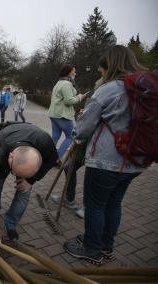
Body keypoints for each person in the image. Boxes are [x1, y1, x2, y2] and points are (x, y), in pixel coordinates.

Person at [64, 45, 150, 264]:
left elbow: (83, 129)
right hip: (135, 161)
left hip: (106, 160)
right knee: (113, 204)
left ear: (109, 67)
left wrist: (79, 129)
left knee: (95, 205)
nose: (102, 75)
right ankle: (105, 246)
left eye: (102, 71)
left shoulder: (109, 89)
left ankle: (92, 248)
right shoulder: (145, 88)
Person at [0, 122, 58, 245]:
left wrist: (30, 180)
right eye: (15, 173)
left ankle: (10, 223)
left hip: (25, 153)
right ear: (11, 157)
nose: (17, 177)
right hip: (5, 152)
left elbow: (52, 160)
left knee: (24, 191)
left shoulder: (45, 142)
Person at [51, 72, 106, 212]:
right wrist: (85, 112)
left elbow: (94, 121)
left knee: (92, 175)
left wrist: (79, 132)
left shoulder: (106, 94)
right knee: (68, 166)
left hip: (95, 141)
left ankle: (89, 208)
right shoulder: (104, 94)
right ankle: (70, 199)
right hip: (87, 139)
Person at [47, 65, 86, 158]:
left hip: (54, 114)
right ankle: (56, 158)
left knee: (55, 136)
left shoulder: (59, 82)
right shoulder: (67, 84)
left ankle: (47, 157)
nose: (75, 73)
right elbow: (69, 101)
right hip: (62, 115)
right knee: (71, 137)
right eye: (74, 72)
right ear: (69, 73)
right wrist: (80, 97)